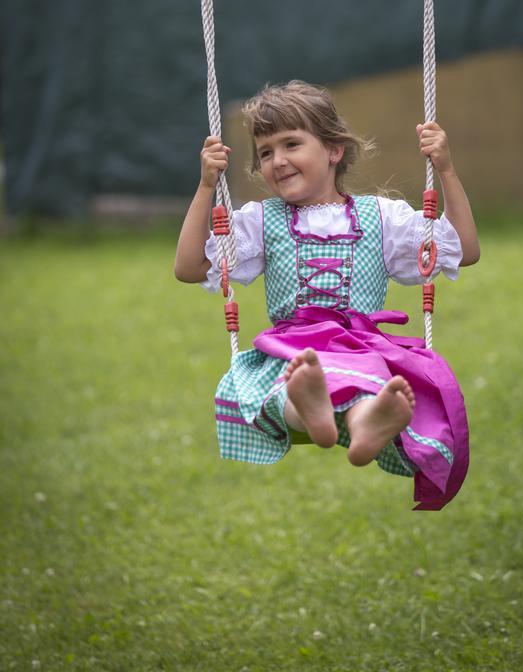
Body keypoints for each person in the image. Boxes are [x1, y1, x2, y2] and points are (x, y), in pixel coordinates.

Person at [175, 80, 480, 509]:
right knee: (288, 385)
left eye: (291, 144)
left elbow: (464, 250)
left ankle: (363, 425)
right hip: (292, 349)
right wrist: (206, 186)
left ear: (334, 150)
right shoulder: (261, 221)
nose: (277, 160)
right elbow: (190, 268)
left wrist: (445, 170)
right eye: (265, 152)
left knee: (358, 385)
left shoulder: (382, 217)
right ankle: (314, 412)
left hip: (359, 346)